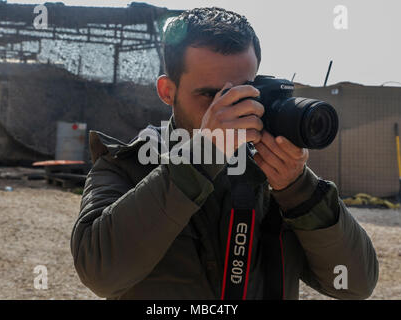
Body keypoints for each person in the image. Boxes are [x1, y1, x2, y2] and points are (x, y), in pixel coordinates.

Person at [70, 7, 378, 300]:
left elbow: (355, 283)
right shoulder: (127, 166)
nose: (227, 109)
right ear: (167, 91)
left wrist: (300, 190)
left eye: (242, 91)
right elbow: (100, 273)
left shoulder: (270, 175)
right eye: (209, 94)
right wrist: (203, 156)